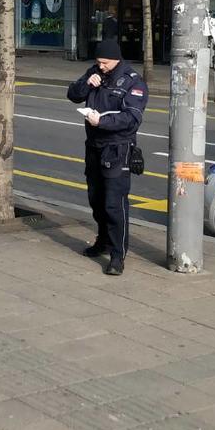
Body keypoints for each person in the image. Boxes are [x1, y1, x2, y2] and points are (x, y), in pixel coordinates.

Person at [66, 38, 148, 276]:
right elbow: (72, 94)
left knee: (114, 204)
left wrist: (102, 121)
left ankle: (117, 254)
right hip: (93, 146)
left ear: (116, 59)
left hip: (117, 149)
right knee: (96, 199)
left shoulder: (133, 82)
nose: (100, 66)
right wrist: (86, 85)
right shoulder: (94, 72)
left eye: (104, 62)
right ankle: (102, 240)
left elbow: (132, 118)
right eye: (98, 62)